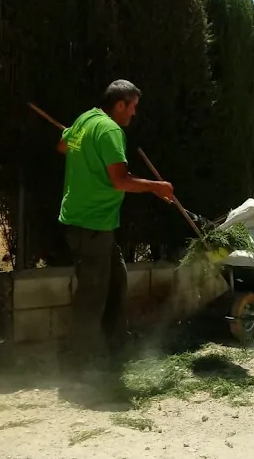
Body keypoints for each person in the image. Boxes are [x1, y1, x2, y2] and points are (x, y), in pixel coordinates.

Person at [56, 80, 174, 360]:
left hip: (92, 222)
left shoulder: (85, 119)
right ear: (119, 104)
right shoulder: (110, 130)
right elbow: (120, 181)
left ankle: (116, 344)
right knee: (92, 294)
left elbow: (63, 146)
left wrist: (82, 146)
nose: (133, 113)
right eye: (132, 107)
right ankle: (84, 360)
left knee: (116, 281)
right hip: (90, 222)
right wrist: (156, 187)